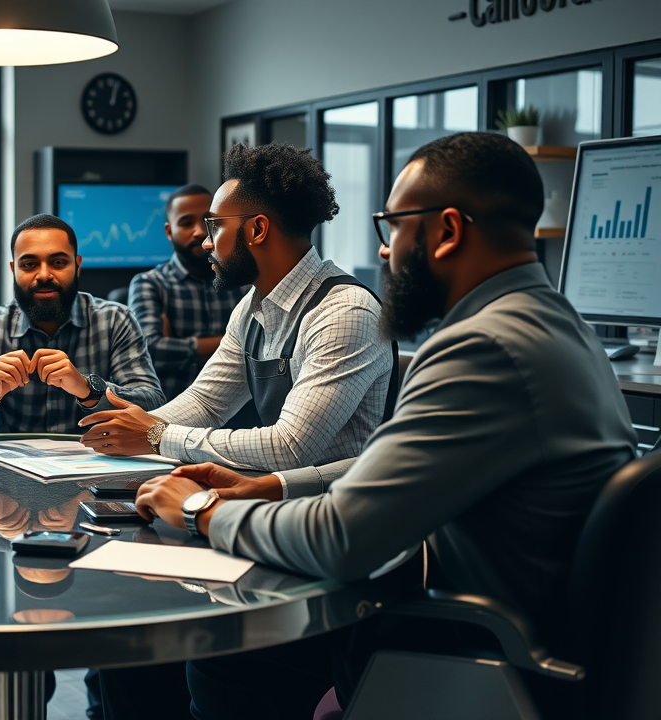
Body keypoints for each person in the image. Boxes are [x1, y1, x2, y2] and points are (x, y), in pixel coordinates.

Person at [115, 132, 637, 719]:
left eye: (393, 227)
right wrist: (273, 487)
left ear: (446, 231)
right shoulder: (555, 324)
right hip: (539, 634)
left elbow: (341, 538)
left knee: (221, 655)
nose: (385, 253)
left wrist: (199, 511)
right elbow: (415, 482)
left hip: (483, 650)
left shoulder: (482, 349)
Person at [81, 143, 396, 475]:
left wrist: (156, 435)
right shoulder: (252, 307)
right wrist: (129, 428)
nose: (205, 242)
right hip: (279, 499)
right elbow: (206, 402)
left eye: (215, 226)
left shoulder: (345, 313)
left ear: (257, 230)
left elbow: (290, 447)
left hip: (339, 515)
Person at [0, 214, 165, 434]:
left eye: (58, 262)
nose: (44, 275)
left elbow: (153, 405)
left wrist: (88, 389)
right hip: (12, 468)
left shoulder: (115, 320)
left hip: (96, 461)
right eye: (29, 265)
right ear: (14, 270)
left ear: (77, 265)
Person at [128, 184, 245, 402]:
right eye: (186, 223)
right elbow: (150, 351)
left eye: (206, 221)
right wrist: (237, 346)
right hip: (170, 411)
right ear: (169, 231)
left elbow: (266, 346)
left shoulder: (241, 282)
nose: (199, 231)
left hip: (236, 413)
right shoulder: (149, 283)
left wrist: (179, 346)